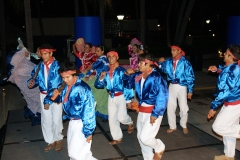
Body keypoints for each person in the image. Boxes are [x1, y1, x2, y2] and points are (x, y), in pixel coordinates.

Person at [124, 53, 168, 160]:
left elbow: (163, 96)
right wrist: (127, 75)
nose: (138, 64)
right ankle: (148, 158)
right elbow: (128, 85)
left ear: (148, 64)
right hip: (142, 110)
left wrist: (156, 114)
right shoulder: (139, 75)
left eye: (140, 62)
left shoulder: (157, 77)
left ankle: (159, 147)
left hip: (153, 110)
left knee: (145, 137)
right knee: (140, 137)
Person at [54, 61, 96, 160]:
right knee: (74, 153)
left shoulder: (82, 88)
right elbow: (64, 100)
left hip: (81, 122)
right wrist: (56, 96)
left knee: (77, 154)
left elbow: (89, 111)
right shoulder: (67, 86)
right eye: (63, 77)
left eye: (67, 77)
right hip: (72, 121)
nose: (65, 80)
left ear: (74, 73)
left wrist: (88, 131)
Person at [28, 44, 63, 152]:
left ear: (51, 53)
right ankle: (50, 141)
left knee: (57, 119)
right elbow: (34, 79)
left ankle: (58, 139)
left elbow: (59, 82)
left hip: (55, 95)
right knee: (46, 119)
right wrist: (31, 83)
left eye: (45, 54)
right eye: (42, 54)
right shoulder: (39, 66)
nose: (43, 56)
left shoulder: (58, 66)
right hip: (43, 94)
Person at [208, 44, 240, 160]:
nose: (223, 54)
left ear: (231, 57)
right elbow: (228, 68)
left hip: (233, 104)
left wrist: (213, 107)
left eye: (226, 54)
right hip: (236, 102)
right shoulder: (235, 66)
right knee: (229, 130)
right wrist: (217, 69)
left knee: (218, 127)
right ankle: (229, 156)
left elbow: (224, 92)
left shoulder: (229, 72)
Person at [95, 51, 134, 145]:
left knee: (121, 118)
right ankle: (118, 138)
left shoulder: (121, 71)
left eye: (113, 56)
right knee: (112, 119)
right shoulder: (106, 71)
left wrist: (128, 100)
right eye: (109, 57)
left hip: (121, 96)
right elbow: (98, 85)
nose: (111, 58)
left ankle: (130, 122)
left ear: (117, 57)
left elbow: (128, 85)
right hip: (111, 97)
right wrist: (101, 77)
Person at [158, 45, 195, 134]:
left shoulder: (185, 62)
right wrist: (160, 63)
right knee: (170, 106)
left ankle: (183, 125)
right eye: (171, 50)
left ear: (179, 51)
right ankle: (172, 126)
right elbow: (163, 69)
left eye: (174, 50)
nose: (172, 52)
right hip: (172, 85)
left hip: (182, 86)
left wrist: (190, 90)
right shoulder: (169, 61)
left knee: (183, 107)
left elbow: (190, 77)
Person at [85, 45, 110, 121]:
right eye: (96, 50)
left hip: (102, 80)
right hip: (100, 79)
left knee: (100, 97)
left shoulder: (102, 59)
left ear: (102, 51)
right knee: (101, 98)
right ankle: (103, 114)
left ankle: (105, 114)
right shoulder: (101, 59)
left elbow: (93, 67)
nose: (96, 52)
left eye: (98, 51)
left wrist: (87, 74)